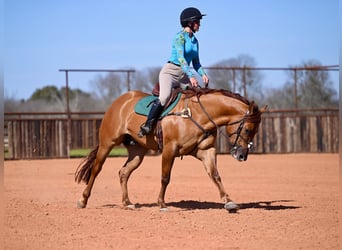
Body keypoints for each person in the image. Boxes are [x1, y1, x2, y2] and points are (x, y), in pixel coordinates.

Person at [138, 7, 209, 137]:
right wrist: (191, 76)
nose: (200, 24)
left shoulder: (195, 41)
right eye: (197, 22)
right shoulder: (179, 37)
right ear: (189, 23)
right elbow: (182, 60)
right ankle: (147, 125)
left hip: (183, 74)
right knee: (164, 97)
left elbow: (196, 63)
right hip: (170, 72)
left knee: (197, 93)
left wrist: (203, 74)